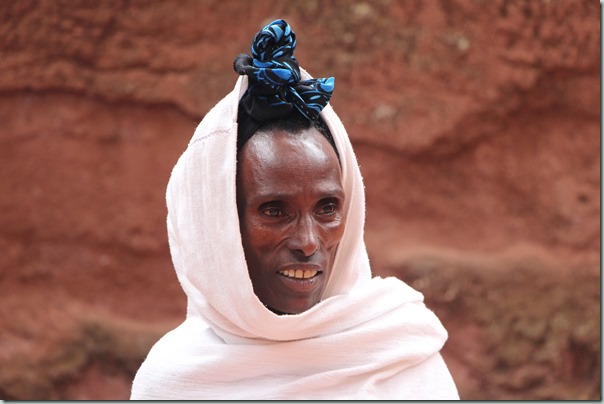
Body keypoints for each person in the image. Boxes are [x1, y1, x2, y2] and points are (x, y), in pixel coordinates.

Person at [130, 19, 459, 400]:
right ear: (220, 225)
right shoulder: (175, 384)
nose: (306, 242)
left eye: (327, 208)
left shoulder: (400, 355)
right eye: (274, 211)